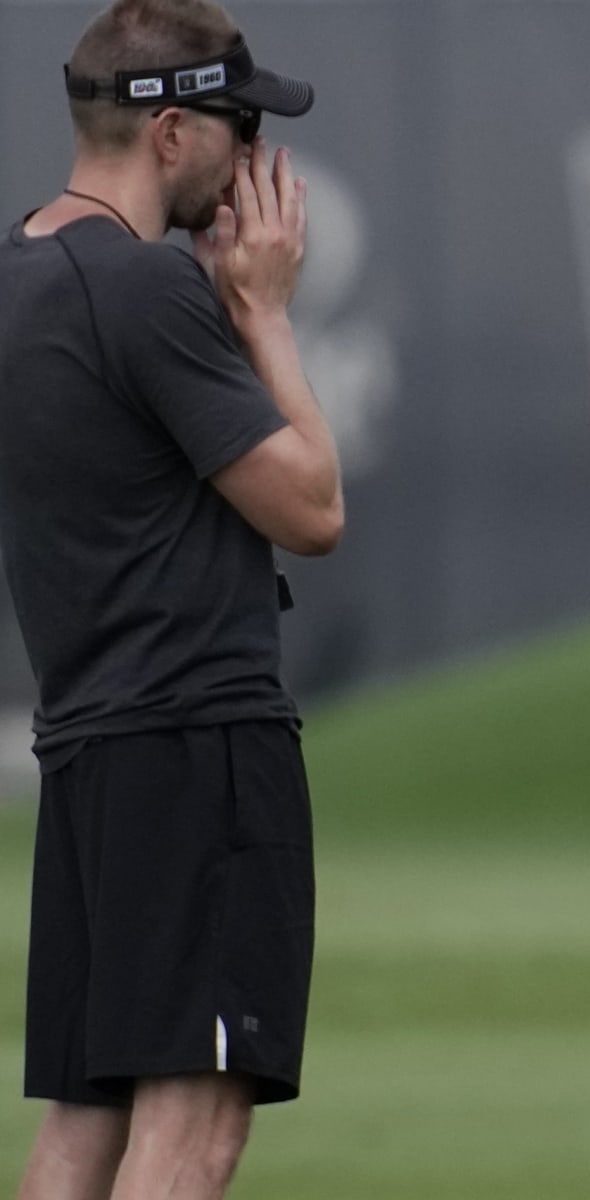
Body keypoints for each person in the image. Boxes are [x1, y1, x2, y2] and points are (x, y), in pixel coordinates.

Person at [0, 2, 341, 1197]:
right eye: (243, 126)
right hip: (198, 745)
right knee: (193, 1130)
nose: (256, 157)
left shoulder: (20, 269)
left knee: (85, 1125)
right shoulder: (148, 287)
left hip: (91, 751)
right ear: (171, 131)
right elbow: (313, 508)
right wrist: (265, 314)